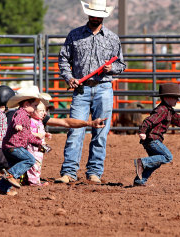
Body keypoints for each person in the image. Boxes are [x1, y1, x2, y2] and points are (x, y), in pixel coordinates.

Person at [56, 0, 126, 184]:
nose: (95, 17)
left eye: (98, 15)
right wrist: (69, 77)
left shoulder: (112, 38)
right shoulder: (74, 35)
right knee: (75, 130)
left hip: (103, 88)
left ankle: (94, 172)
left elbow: (121, 64)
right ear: (88, 14)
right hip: (81, 89)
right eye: (93, 14)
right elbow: (63, 60)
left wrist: (111, 69)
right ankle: (69, 172)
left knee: (100, 133)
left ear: (103, 16)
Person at [133, 83, 180, 186]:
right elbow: (149, 121)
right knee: (167, 157)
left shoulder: (168, 110)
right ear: (167, 97)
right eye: (176, 97)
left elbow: (178, 119)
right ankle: (142, 162)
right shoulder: (162, 110)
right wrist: (142, 131)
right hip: (152, 139)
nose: (178, 100)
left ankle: (140, 181)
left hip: (150, 140)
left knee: (156, 162)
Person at [0, 86, 43, 196]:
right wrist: (17, 125)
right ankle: (10, 175)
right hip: (14, 146)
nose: (36, 108)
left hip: (9, 146)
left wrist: (39, 144)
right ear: (26, 104)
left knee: (14, 167)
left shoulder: (26, 116)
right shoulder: (22, 113)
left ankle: (3, 189)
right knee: (30, 160)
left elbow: (28, 135)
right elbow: (17, 120)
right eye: (35, 106)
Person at [22, 101, 52, 186]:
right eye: (41, 111)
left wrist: (45, 134)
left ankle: (31, 180)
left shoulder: (39, 121)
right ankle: (34, 182)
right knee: (35, 164)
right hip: (32, 147)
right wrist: (38, 135)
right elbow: (27, 132)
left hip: (38, 147)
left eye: (44, 111)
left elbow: (40, 132)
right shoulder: (30, 121)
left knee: (38, 164)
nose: (44, 113)